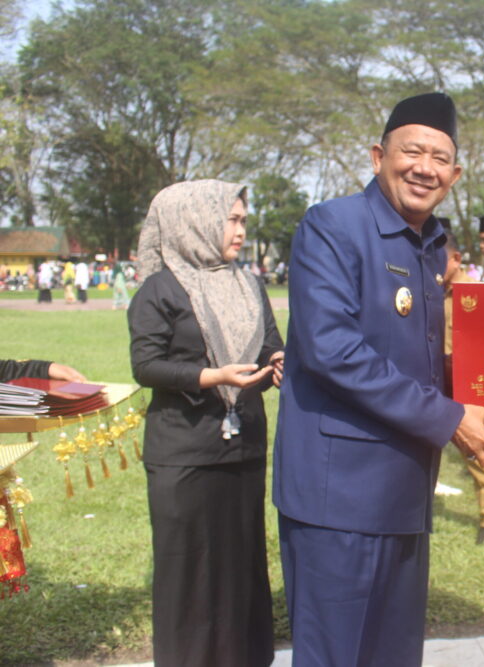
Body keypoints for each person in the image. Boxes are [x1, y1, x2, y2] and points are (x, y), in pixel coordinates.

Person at [272, 92, 484, 667]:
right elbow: (332, 349)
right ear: (379, 155)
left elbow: (428, 359)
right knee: (336, 654)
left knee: (393, 653)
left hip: (405, 487)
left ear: (454, 175)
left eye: (440, 159)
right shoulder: (331, 227)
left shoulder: (432, 245)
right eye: (412, 151)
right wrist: (450, 418)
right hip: (339, 495)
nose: (424, 168)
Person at [128, 180, 284, 667]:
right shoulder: (161, 288)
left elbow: (269, 343)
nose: (240, 231)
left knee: (240, 570)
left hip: (243, 450)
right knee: (189, 576)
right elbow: (146, 366)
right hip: (184, 454)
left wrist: (278, 361)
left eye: (242, 220)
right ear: (194, 222)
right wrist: (211, 376)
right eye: (231, 220)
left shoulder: (247, 283)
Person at [441, 231, 484, 544]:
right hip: (432, 381)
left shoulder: (476, 292)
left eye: (437, 258)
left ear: (455, 259)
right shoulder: (427, 291)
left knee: (479, 454)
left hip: (467, 385)